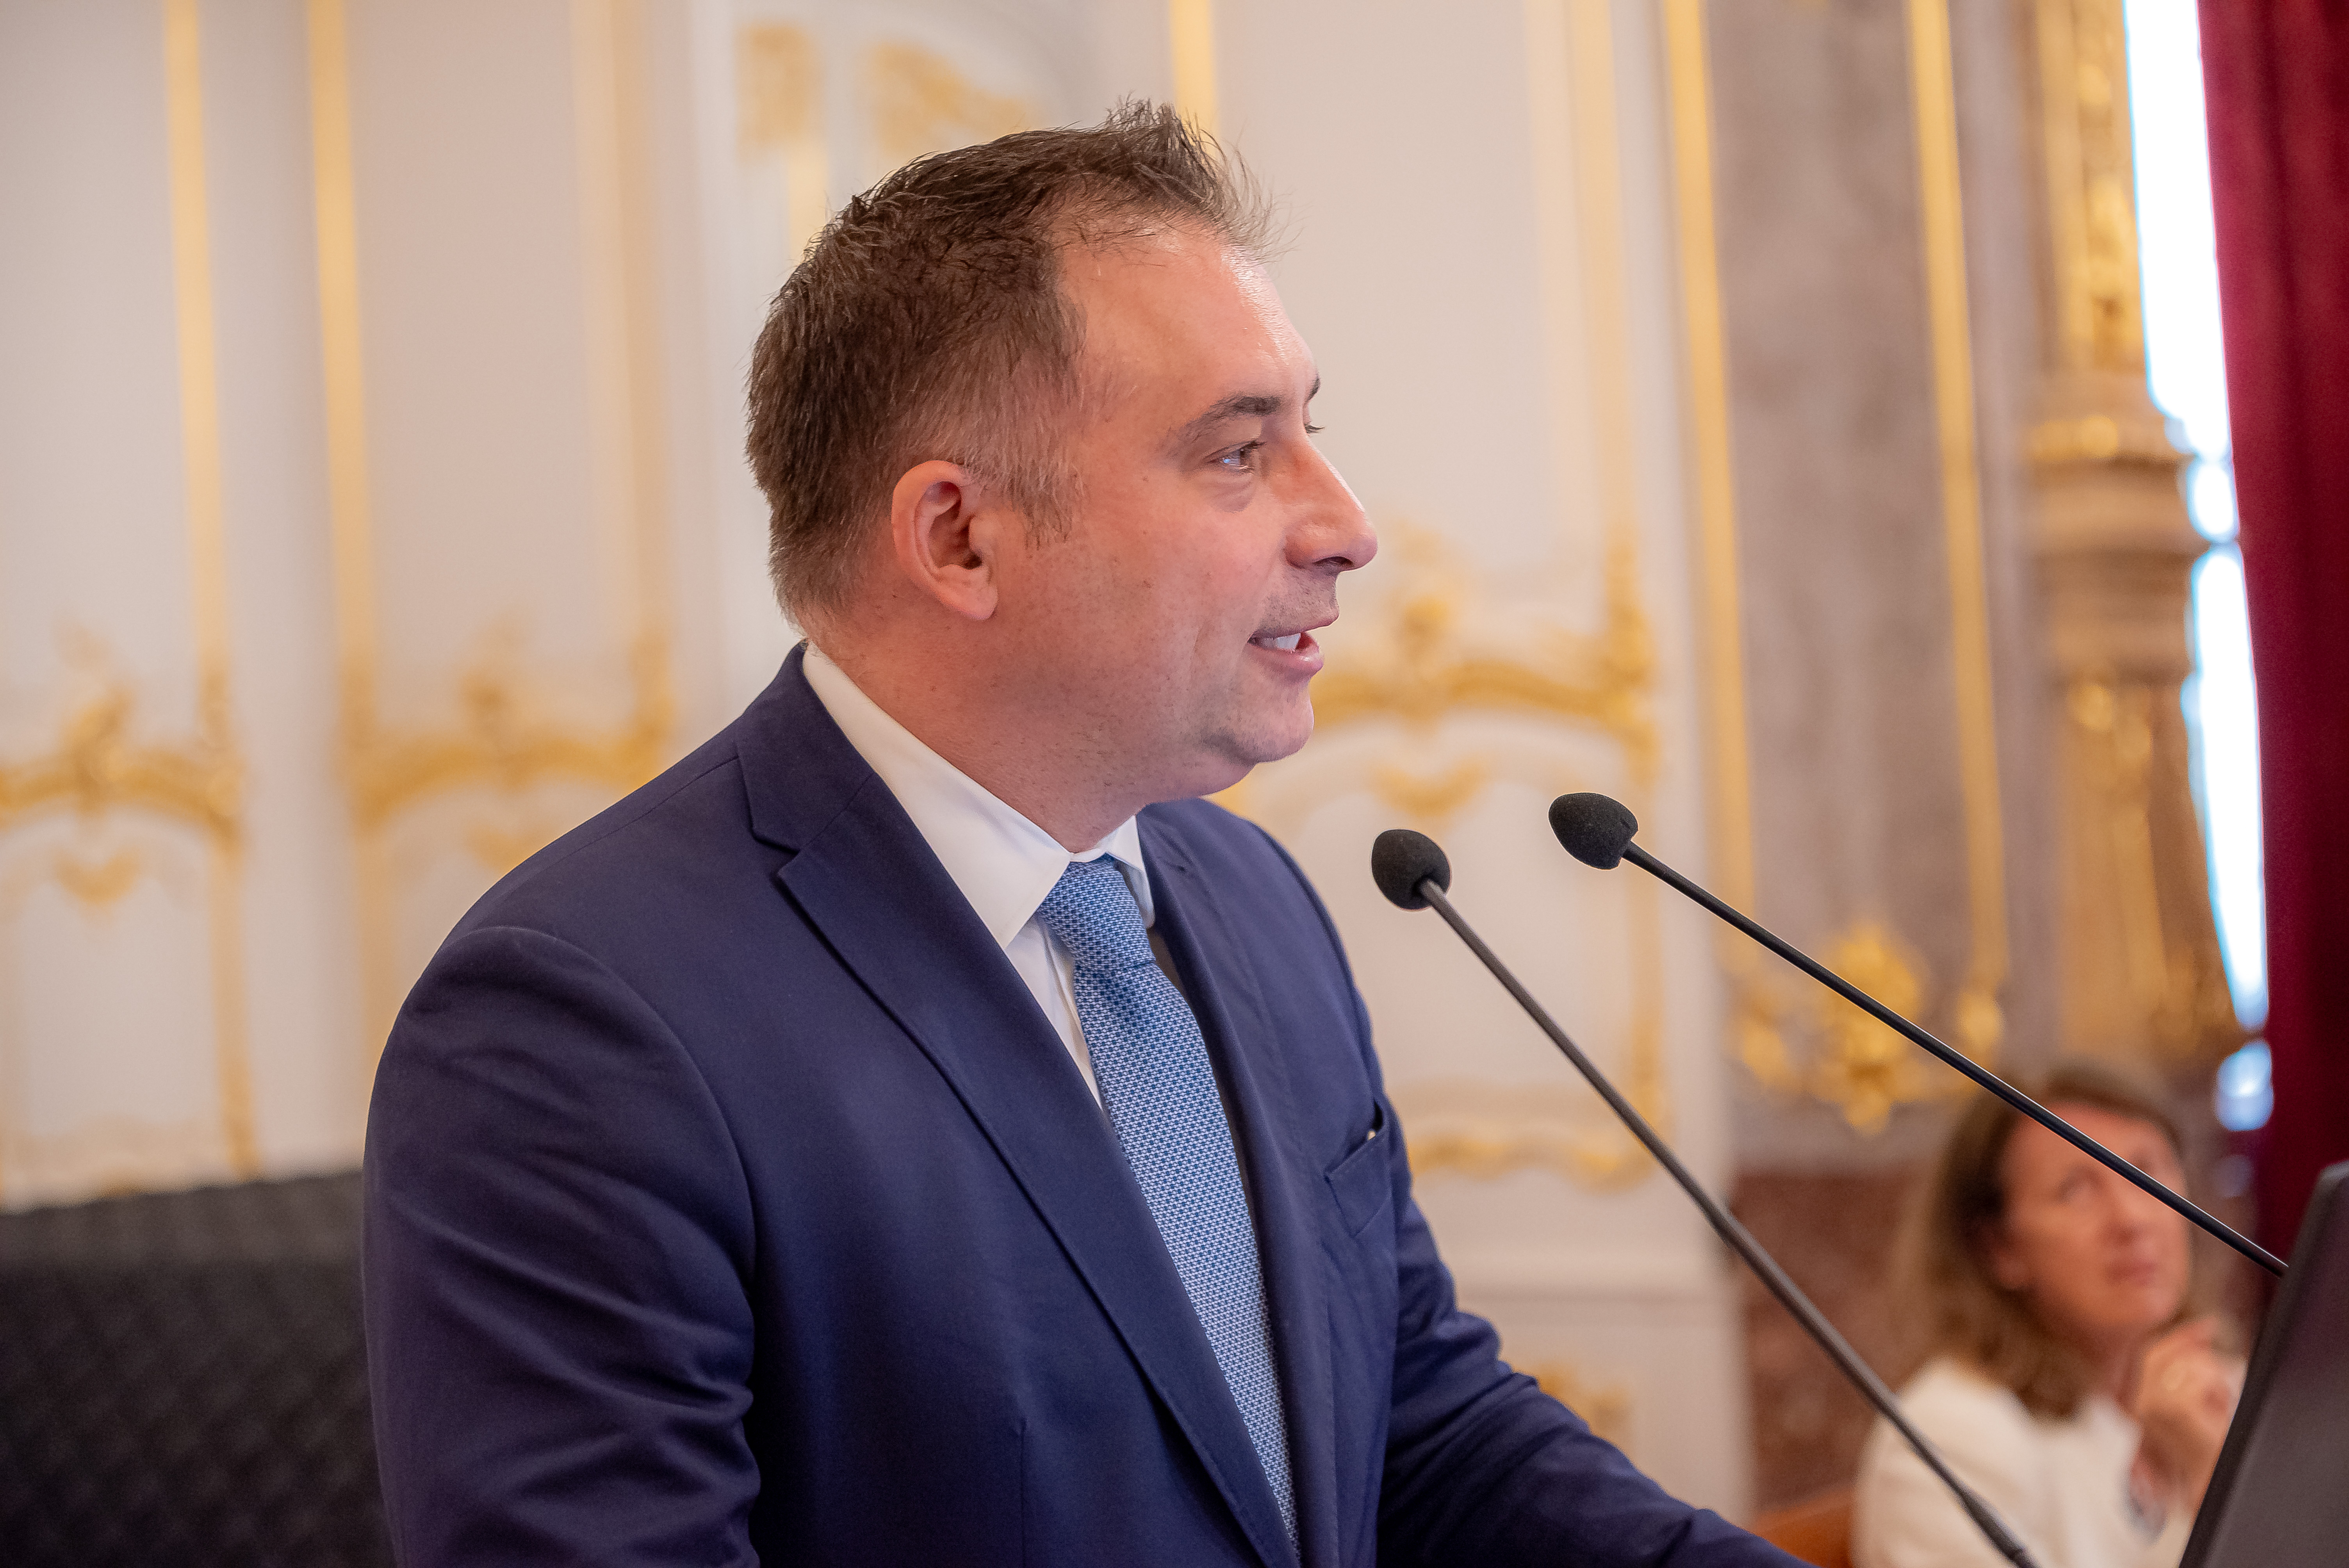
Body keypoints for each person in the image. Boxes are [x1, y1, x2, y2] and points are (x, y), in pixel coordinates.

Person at [361, 104, 1800, 1566]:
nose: (1347, 526)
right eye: (1237, 452)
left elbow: (1416, 1426)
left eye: (1310, 431)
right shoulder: (578, 1024)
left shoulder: (1251, 897)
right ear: (959, 539)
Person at [1852, 1062, 2242, 1568]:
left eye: (2147, 1172)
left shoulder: (2221, 1388)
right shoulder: (1950, 1440)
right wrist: (2214, 1486)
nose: (2132, 1219)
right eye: (2075, 1190)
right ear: (1998, 1248)